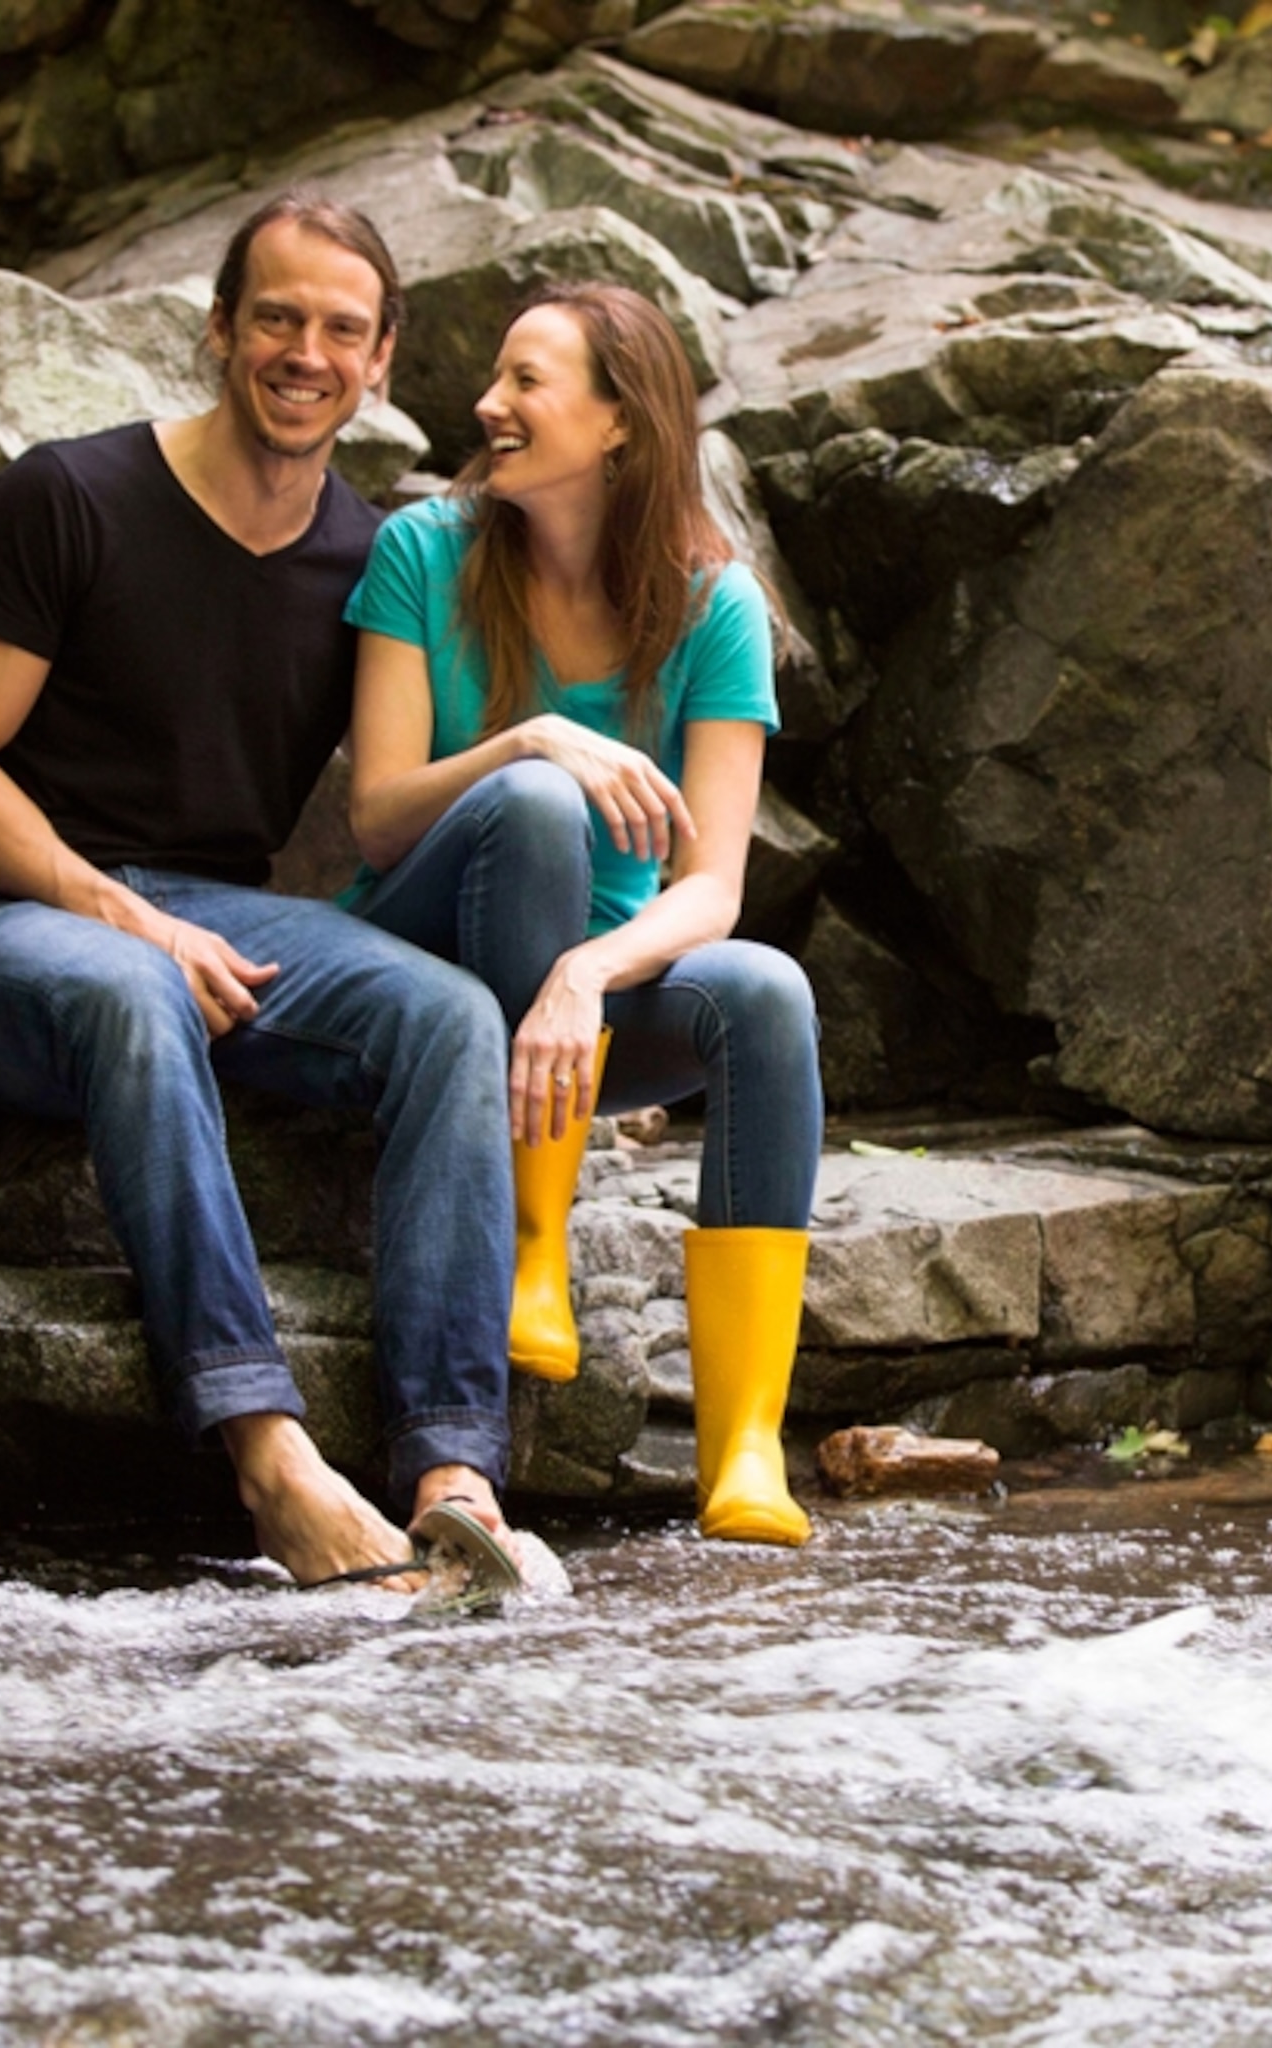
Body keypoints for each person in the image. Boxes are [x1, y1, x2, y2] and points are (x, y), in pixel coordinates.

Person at [0, 191, 529, 1600]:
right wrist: (119, 914)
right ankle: (268, 1450)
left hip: (229, 926)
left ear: (381, 362)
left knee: (449, 1019)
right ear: (220, 333)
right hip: (16, 928)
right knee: (131, 988)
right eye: (279, 319)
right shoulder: (67, 497)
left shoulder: (370, 561)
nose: (307, 352)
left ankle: (450, 1471)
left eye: (342, 330)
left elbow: (421, 790)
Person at [339, 281, 823, 1546]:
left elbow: (713, 887)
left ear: (618, 425)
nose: (489, 405)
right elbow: (377, 819)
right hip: (430, 950)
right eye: (494, 381)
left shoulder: (713, 605)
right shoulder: (424, 552)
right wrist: (530, 739)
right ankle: (527, 1244)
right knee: (543, 801)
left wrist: (584, 977)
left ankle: (745, 1446)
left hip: (583, 1007)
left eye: (526, 383)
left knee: (769, 990)